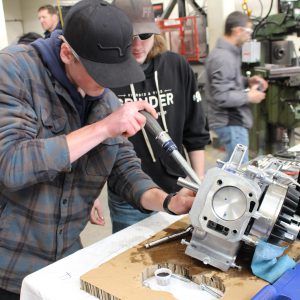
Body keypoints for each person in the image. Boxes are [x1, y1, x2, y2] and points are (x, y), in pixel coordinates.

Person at [0, 0, 195, 298]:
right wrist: (103, 128)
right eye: (101, 73)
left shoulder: (103, 97)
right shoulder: (14, 70)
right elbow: (12, 165)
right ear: (67, 53)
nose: (109, 85)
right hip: (11, 261)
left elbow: (125, 171)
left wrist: (169, 203)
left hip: (66, 257)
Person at [90, 0, 210, 233]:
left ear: (155, 31)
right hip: (128, 196)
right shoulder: (105, 77)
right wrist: (91, 192)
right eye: (129, 37)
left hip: (179, 188)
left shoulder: (176, 66)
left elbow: (195, 130)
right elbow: (95, 141)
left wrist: (199, 179)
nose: (137, 45)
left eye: (144, 35)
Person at [205, 11, 268, 163]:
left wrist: (247, 81)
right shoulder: (223, 57)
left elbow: (228, 80)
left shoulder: (229, 53)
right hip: (230, 122)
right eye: (248, 31)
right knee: (238, 171)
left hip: (233, 121)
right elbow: (221, 96)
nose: (250, 35)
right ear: (237, 30)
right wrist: (249, 96)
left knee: (232, 167)